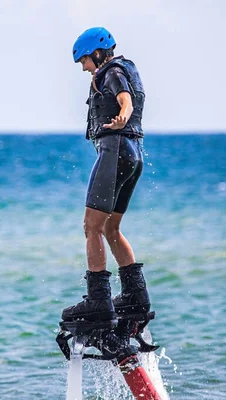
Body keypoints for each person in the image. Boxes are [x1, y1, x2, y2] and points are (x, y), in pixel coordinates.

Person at [62, 27, 151, 323]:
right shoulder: (123, 69)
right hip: (133, 153)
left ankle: (99, 301)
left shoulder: (112, 72)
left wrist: (123, 114)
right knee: (111, 228)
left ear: (98, 53)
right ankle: (135, 297)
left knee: (92, 226)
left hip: (115, 151)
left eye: (85, 60)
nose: (84, 67)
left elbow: (125, 99)